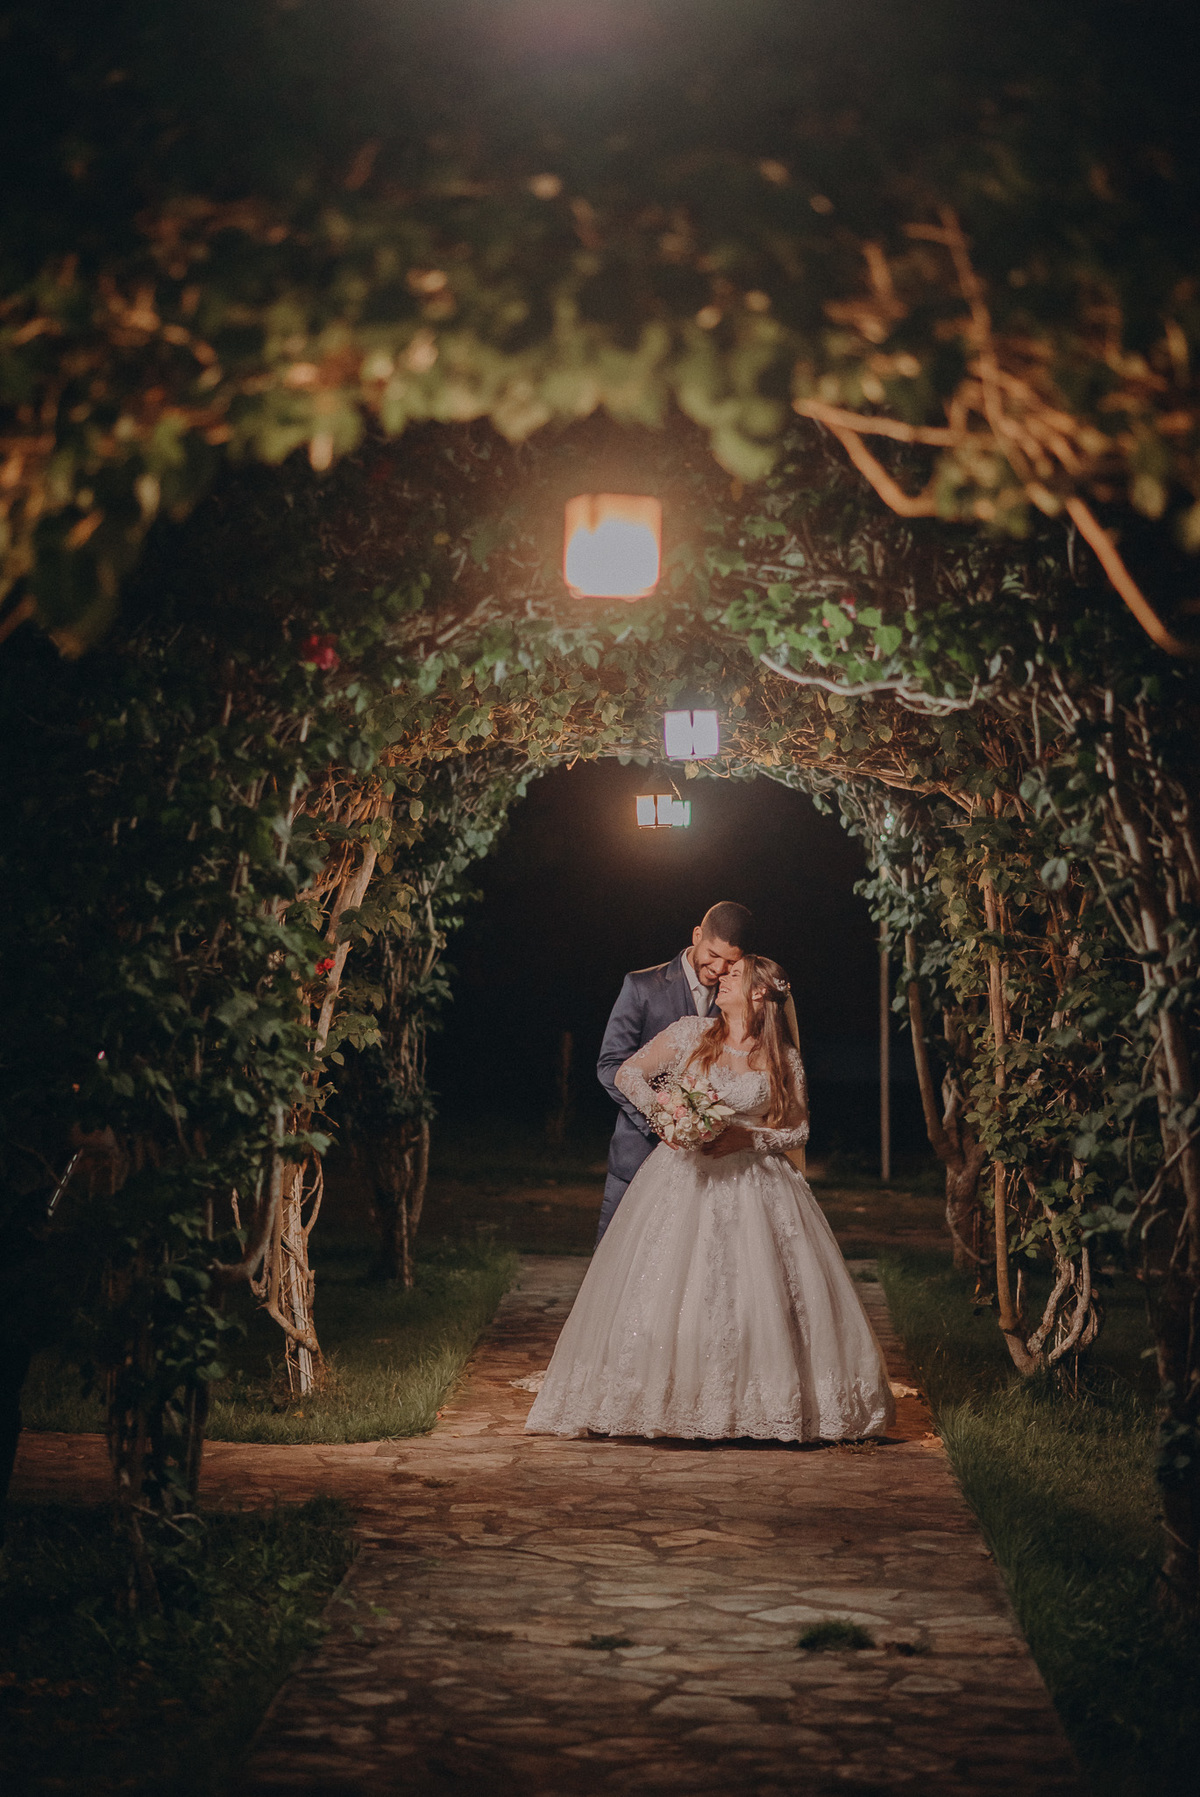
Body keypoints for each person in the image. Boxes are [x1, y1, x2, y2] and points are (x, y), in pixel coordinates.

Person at [526, 954, 895, 1442]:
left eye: (735, 975)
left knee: (757, 1295)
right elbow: (627, 1073)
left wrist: (749, 1138)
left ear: (759, 993)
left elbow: (798, 1129)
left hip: (757, 1184)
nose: (722, 978)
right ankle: (662, 1396)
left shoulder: (782, 1057)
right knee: (671, 1286)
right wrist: (667, 1117)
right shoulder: (690, 1033)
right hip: (683, 1178)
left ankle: (758, 1403)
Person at [595, 901, 752, 1242]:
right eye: (713, 954)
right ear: (697, 936)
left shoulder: (738, 998)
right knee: (616, 1255)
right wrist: (661, 1118)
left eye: (731, 961)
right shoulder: (641, 986)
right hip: (638, 1153)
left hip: (706, 1170)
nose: (719, 968)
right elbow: (610, 1066)